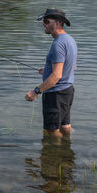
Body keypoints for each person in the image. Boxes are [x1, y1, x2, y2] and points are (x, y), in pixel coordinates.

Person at [25, 8, 77, 137]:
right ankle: (68, 152)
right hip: (67, 91)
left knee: (52, 131)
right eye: (44, 21)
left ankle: (56, 155)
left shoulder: (58, 44)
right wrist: (48, 71)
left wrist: (35, 91)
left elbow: (57, 76)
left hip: (55, 94)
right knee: (65, 125)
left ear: (57, 22)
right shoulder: (70, 40)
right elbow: (72, 66)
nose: (44, 24)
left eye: (47, 21)